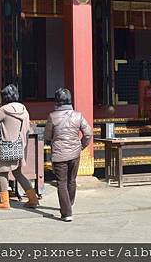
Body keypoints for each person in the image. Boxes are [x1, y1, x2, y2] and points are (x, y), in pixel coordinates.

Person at [0, 84, 38, 210]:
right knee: (18, 173)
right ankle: (33, 198)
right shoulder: (23, 108)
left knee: (2, 173)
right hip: (19, 146)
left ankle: (4, 202)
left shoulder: (3, 110)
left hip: (5, 147)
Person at [43, 87, 92, 222]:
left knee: (61, 182)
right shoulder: (78, 115)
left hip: (59, 153)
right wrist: (82, 145)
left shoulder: (52, 116)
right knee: (72, 180)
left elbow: (47, 135)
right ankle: (69, 203)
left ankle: (66, 212)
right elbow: (88, 133)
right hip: (75, 152)